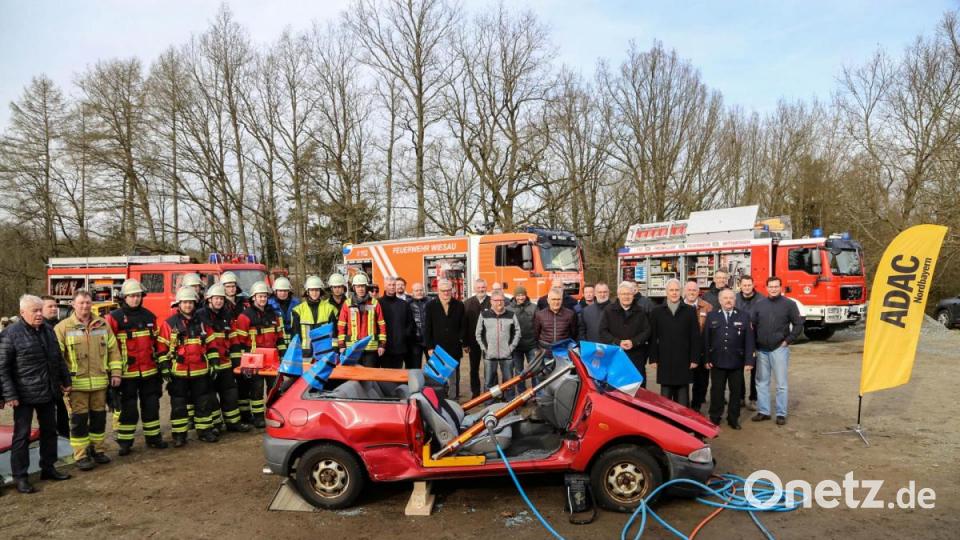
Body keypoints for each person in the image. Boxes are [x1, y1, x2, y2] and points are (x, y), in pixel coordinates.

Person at [0, 295, 73, 494]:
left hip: (48, 391)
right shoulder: (10, 335)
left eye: (41, 310)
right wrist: (9, 395)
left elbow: (58, 358)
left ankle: (48, 468)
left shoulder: (48, 331)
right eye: (35, 311)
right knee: (21, 436)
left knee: (49, 431)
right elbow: (2, 368)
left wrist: (66, 381)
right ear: (23, 312)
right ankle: (20, 477)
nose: (40, 314)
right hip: (22, 396)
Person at [54, 290, 122, 471]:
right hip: (76, 386)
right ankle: (81, 455)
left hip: (100, 383)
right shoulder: (63, 328)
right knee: (79, 421)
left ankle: (98, 450)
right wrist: (62, 381)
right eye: (81, 303)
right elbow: (57, 358)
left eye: (88, 303)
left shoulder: (103, 325)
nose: (85, 306)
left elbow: (114, 351)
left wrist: (116, 373)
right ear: (73, 305)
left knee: (99, 419)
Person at [105, 280, 169, 455]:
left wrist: (162, 364)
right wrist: (111, 372)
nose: (135, 299)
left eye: (138, 296)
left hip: (149, 371)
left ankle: (154, 438)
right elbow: (109, 348)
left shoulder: (149, 316)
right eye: (131, 296)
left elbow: (157, 344)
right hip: (127, 374)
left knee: (151, 406)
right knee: (129, 409)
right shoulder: (114, 317)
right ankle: (125, 443)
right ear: (124, 297)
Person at [157, 287, 220, 445]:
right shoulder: (169, 324)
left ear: (195, 303)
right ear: (179, 304)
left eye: (190, 302)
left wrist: (214, 362)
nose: (188, 305)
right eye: (184, 302)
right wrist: (164, 367)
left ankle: (204, 431)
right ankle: (179, 435)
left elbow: (212, 345)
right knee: (178, 405)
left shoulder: (204, 323)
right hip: (178, 373)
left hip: (201, 371)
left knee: (203, 404)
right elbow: (161, 348)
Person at [196, 283, 251, 433]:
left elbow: (233, 339)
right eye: (216, 298)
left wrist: (237, 362)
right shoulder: (200, 315)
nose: (219, 301)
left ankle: (233, 422)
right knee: (211, 397)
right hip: (209, 364)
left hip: (226, 363)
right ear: (209, 299)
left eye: (221, 298)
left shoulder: (227, 315)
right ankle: (216, 425)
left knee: (230, 394)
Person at [234, 281, 288, 427]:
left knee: (275, 387)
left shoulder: (274, 314)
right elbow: (240, 340)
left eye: (264, 296)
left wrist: (282, 353)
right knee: (256, 389)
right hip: (255, 359)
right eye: (260, 296)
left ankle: (274, 413)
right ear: (253, 297)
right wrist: (244, 362)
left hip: (272, 358)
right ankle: (258, 417)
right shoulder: (245, 316)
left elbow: (280, 337)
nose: (262, 299)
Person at [751, 276, 803, 426]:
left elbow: (798, 324)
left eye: (776, 286)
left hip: (779, 349)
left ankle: (781, 413)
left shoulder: (789, 304)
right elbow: (752, 326)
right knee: (761, 382)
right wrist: (754, 345)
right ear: (766, 288)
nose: (773, 289)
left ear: (781, 287)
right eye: (770, 286)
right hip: (762, 350)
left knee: (781, 384)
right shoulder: (759, 305)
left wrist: (788, 340)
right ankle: (764, 411)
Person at [704, 289, 755, 429]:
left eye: (731, 298)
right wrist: (706, 359)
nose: (728, 300)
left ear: (735, 300)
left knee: (736, 392)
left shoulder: (744, 316)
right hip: (717, 361)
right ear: (719, 300)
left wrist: (749, 361)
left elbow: (749, 341)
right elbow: (706, 340)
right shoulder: (712, 315)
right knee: (717, 391)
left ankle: (733, 418)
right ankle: (715, 418)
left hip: (736, 362)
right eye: (725, 298)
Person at [647, 279, 699, 406]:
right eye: (671, 290)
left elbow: (695, 336)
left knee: (683, 399)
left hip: (684, 359)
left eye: (676, 290)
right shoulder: (657, 311)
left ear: (681, 292)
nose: (674, 293)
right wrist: (653, 358)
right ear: (666, 292)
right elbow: (653, 337)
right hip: (665, 359)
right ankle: (666, 423)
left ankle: (682, 423)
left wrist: (694, 358)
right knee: (665, 399)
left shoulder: (690, 311)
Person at [599, 281, 651, 386]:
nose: (626, 297)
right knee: (616, 391)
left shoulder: (641, 311)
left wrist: (634, 342)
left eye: (629, 294)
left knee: (638, 389)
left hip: (636, 359)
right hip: (615, 357)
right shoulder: (609, 310)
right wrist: (617, 342)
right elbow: (603, 331)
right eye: (623, 294)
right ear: (618, 295)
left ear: (633, 295)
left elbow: (647, 331)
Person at [423, 279, 467, 399]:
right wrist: (430, 347)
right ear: (438, 291)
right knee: (437, 377)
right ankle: (438, 400)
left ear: (452, 290)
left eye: (448, 290)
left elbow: (463, 326)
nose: (446, 293)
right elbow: (427, 328)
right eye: (443, 291)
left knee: (454, 378)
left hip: (454, 347)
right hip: (437, 348)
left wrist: (461, 341)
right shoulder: (430, 306)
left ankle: (454, 400)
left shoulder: (459, 305)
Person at [476, 290, 521, 400]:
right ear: (491, 301)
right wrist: (485, 349)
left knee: (509, 381)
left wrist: (511, 348)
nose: (499, 303)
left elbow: (517, 332)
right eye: (496, 300)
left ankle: (510, 403)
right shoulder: (484, 315)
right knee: (489, 382)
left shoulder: (511, 315)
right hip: (489, 355)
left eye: (501, 300)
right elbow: (478, 333)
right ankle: (489, 403)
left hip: (507, 355)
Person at [336, 273, 386, 368]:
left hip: (370, 348)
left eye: (363, 286)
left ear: (366, 287)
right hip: (353, 348)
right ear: (354, 288)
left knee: (370, 377)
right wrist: (341, 345)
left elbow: (381, 325)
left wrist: (382, 345)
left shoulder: (374, 303)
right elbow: (341, 326)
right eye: (358, 286)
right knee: (354, 377)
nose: (361, 289)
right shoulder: (347, 304)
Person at [41, 294, 70, 438]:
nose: (54, 309)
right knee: (52, 415)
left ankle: (64, 437)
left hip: (59, 378)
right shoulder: (41, 328)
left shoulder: (59, 325)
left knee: (62, 412)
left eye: (55, 306)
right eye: (50, 306)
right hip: (48, 381)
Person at [684, 279, 714, 413]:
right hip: (682, 350)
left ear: (699, 292)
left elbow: (712, 330)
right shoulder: (677, 306)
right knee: (682, 380)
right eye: (689, 290)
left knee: (701, 381)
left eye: (694, 290)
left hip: (701, 351)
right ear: (684, 292)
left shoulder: (707, 307)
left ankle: (696, 407)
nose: (691, 292)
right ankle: (682, 406)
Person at [292, 276, 339, 360]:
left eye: (317, 290)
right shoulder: (298, 310)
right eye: (312, 290)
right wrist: (296, 353)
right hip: (305, 354)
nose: (314, 293)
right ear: (307, 291)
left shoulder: (330, 309)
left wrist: (335, 351)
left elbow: (334, 334)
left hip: (325, 352)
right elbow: (296, 335)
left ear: (320, 291)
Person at [462, 279, 491, 398]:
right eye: (478, 287)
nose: (481, 289)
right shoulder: (467, 303)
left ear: (486, 287)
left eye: (483, 287)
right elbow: (464, 325)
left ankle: (489, 391)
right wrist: (465, 343)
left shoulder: (491, 301)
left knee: (489, 368)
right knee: (474, 369)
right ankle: (476, 392)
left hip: (489, 342)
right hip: (473, 342)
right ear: (474, 288)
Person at [736, 276, 761, 410]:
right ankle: (740, 397)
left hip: (756, 341)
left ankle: (753, 398)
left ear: (753, 284)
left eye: (749, 285)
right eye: (744, 285)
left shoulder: (761, 300)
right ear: (740, 285)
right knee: (738, 371)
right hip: (738, 341)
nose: (747, 287)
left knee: (755, 372)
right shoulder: (735, 299)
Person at [507, 286, 537, 390]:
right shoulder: (509, 309)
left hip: (531, 344)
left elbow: (538, 324)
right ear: (515, 296)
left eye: (523, 295)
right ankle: (521, 393)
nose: (521, 297)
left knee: (534, 369)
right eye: (518, 295)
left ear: (526, 295)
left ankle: (536, 393)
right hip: (516, 346)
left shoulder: (534, 307)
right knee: (519, 372)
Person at [380, 276, 413, 369]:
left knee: (397, 374)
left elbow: (410, 323)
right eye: (389, 285)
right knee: (386, 376)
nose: (392, 287)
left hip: (400, 347)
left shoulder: (404, 304)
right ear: (385, 286)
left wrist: (404, 335)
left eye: (394, 285)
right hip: (384, 347)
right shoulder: (378, 303)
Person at [533, 287, 577, 358]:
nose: (556, 302)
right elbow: (536, 334)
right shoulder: (539, 315)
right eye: (553, 299)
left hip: (563, 353)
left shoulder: (570, 314)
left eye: (558, 299)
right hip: (545, 353)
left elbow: (573, 333)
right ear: (548, 300)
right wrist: (537, 350)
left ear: (562, 300)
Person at [407, 283, 430, 369]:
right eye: (416, 290)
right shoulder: (407, 304)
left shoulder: (430, 302)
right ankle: (416, 382)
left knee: (432, 365)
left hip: (428, 339)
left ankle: (433, 382)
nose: (419, 292)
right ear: (412, 292)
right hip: (415, 340)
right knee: (415, 366)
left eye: (421, 290)